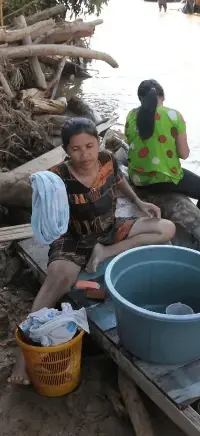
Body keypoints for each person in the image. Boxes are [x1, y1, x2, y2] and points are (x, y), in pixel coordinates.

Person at [9, 118, 175, 386]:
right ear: (66, 150)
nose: (84, 154)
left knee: (166, 228)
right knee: (55, 284)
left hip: (109, 229)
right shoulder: (57, 177)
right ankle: (23, 353)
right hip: (73, 237)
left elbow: (120, 181)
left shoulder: (108, 159)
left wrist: (138, 201)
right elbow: (45, 212)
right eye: (76, 149)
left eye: (89, 145)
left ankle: (106, 251)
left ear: (98, 143)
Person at [125, 80, 200, 217]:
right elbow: (184, 154)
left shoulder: (131, 115)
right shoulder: (174, 116)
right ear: (163, 97)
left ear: (140, 99)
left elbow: (131, 143)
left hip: (137, 179)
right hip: (163, 178)